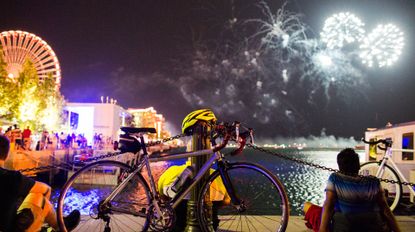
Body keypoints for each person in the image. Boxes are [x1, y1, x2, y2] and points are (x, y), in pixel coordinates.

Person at [303, 148, 401, 232]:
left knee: (308, 207)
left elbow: (328, 204)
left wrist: (322, 230)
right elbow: (385, 209)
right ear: (358, 166)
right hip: (376, 227)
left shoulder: (335, 178)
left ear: (339, 167)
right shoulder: (374, 182)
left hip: (346, 227)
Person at [0, 135, 80, 231]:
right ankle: (59, 225)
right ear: (7, 154)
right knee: (39, 197)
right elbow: (46, 189)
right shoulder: (11, 177)